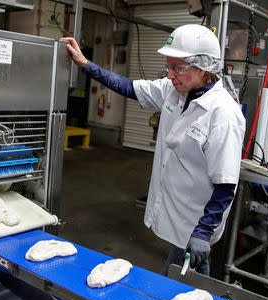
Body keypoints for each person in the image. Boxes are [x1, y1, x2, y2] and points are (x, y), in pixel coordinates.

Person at [61, 24, 245, 276]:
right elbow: (128, 87)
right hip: (174, 207)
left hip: (197, 219)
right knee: (181, 272)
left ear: (204, 69)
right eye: (168, 66)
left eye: (178, 68)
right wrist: (85, 64)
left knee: (190, 279)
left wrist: (204, 231)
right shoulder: (173, 90)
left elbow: (226, 183)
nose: (170, 75)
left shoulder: (223, 114)